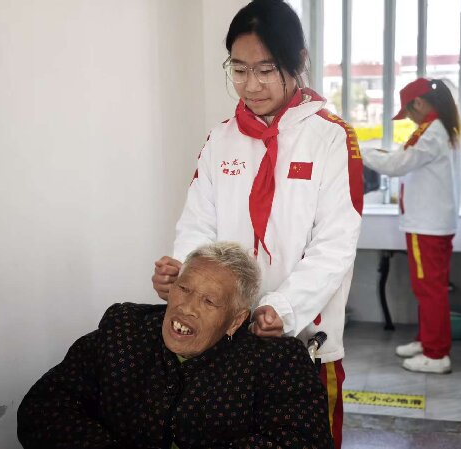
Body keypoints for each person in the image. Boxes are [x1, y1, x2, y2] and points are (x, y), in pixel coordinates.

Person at [152, 0, 363, 444]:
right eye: (239, 69)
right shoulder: (221, 138)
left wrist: (283, 308)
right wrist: (183, 278)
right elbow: (198, 226)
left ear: (298, 62)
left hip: (305, 340)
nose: (251, 85)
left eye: (266, 70)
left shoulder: (330, 138)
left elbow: (335, 245)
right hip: (225, 339)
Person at [17, 242, 335, 449]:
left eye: (209, 301)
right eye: (183, 289)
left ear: (236, 320)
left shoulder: (277, 361)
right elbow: (44, 407)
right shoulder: (124, 330)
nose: (186, 308)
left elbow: (302, 442)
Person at [361, 77, 461, 374]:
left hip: (427, 225)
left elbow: (397, 165)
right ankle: (426, 340)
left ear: (418, 103)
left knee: (430, 290)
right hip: (431, 223)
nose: (408, 118)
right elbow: (402, 159)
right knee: (428, 288)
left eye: (407, 111)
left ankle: (436, 354)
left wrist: (357, 150)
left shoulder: (432, 132)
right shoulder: (439, 128)